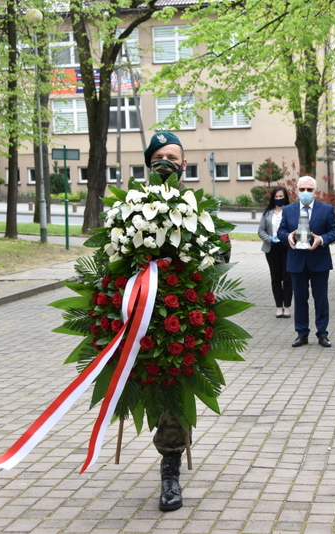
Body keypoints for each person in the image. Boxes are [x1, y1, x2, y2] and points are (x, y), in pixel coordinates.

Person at [144, 131, 189, 512]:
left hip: (184, 313)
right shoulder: (130, 207)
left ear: (183, 164)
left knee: (174, 391)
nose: (166, 163)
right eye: (159, 157)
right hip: (141, 315)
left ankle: (170, 468)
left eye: (172, 157)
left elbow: (219, 256)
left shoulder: (197, 207)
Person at [277, 176, 335, 348]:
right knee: (300, 299)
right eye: (302, 189)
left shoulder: (326, 209)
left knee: (321, 299)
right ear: (297, 191)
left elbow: (334, 232)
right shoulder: (288, 210)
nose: (305, 193)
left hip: (319, 260)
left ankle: (322, 334)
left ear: (315, 191)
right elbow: (281, 230)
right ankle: (302, 333)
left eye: (309, 190)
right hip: (297, 260)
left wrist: (322, 239)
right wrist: (287, 236)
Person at [258, 186, 293, 318]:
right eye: (276, 197)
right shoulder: (267, 213)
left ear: (285, 197)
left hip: (287, 247)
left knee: (288, 278)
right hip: (272, 248)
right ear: (273, 198)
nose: (279, 199)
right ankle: (279, 306)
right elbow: (260, 230)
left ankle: (287, 306)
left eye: (281, 196)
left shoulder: (290, 211)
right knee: (275, 278)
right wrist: (269, 239)